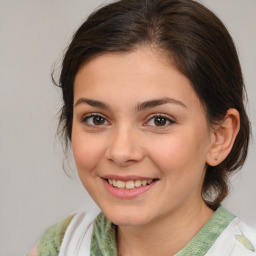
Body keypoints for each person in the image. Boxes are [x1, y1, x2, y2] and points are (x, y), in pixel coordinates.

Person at [28, 0, 255, 255]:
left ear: (219, 137)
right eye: (97, 119)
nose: (121, 152)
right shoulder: (60, 246)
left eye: (159, 120)